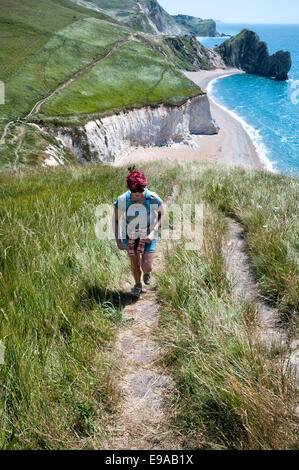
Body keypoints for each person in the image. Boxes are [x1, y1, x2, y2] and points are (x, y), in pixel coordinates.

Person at [113, 167, 165, 298]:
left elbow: (161, 214)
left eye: (141, 190)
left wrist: (153, 232)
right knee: (135, 263)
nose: (137, 194)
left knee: (146, 266)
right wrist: (118, 240)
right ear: (129, 188)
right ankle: (137, 285)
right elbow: (116, 220)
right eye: (134, 191)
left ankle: (147, 272)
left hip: (148, 233)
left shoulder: (152, 198)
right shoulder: (123, 200)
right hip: (129, 234)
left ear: (145, 187)